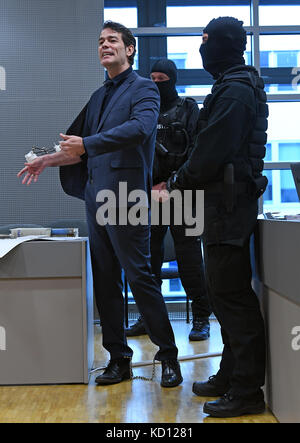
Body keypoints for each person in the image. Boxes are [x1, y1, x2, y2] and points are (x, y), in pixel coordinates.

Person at [17, 21, 183, 388]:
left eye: (112, 41)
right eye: (101, 42)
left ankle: (168, 355)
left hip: (127, 198)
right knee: (106, 280)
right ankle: (118, 360)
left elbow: (139, 129)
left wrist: (87, 145)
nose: (104, 46)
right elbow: (76, 148)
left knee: (140, 277)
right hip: (97, 198)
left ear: (130, 49)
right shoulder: (99, 96)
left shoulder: (144, 90)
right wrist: (46, 160)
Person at [166, 17, 268, 417]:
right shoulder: (233, 85)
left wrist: (178, 180)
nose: (202, 47)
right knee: (224, 296)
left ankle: (247, 392)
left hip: (228, 206)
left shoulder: (236, 91)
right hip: (221, 205)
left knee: (233, 298)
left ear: (224, 44)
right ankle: (229, 374)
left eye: (206, 40)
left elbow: (211, 151)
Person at [125, 59, 211, 341]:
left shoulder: (188, 108)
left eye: (162, 78)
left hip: (183, 192)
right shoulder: (144, 109)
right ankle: (148, 318)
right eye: (152, 78)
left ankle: (201, 317)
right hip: (148, 195)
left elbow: (197, 150)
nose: (157, 83)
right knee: (149, 260)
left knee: (189, 260)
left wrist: (171, 182)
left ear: (172, 79)